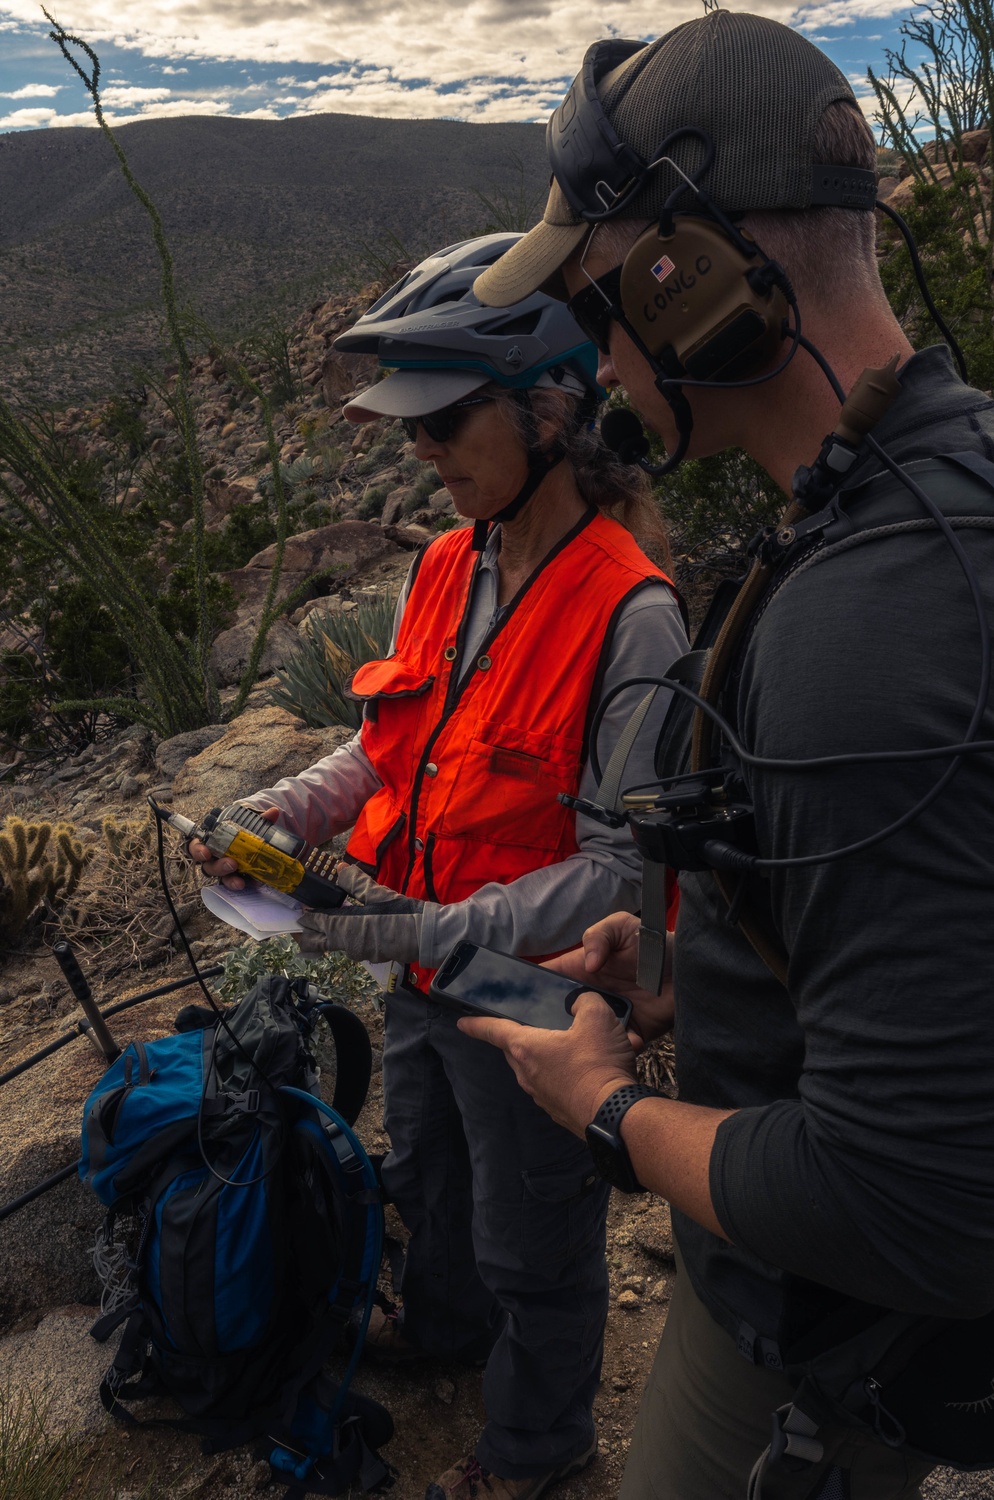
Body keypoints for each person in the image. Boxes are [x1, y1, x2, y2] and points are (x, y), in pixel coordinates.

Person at [462, 12, 994, 1500]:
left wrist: (610, 1113)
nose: (595, 353)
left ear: (680, 280)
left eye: (593, 302)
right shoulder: (937, 490)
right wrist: (694, 971)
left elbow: (916, 1202)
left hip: (825, 1349)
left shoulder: (873, 630)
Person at [190, 234, 689, 1500]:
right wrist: (290, 805)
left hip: (532, 997)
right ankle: (451, 1331)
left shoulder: (634, 614)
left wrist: (417, 929)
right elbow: (387, 745)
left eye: (441, 422)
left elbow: (622, 867)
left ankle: (536, 1447)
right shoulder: (440, 566)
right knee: (428, 1171)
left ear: (551, 409)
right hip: (412, 967)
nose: (415, 450)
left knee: (534, 1236)